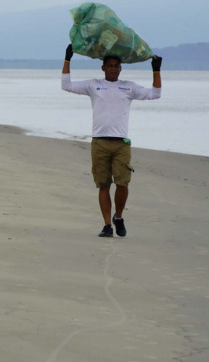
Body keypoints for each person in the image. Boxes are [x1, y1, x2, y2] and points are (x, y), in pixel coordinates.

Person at [61, 44, 162, 237]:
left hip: (121, 144)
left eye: (117, 65)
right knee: (103, 184)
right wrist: (67, 59)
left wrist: (156, 70)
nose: (114, 68)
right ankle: (107, 225)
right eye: (110, 65)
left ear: (121, 68)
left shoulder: (129, 87)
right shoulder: (93, 85)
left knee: (123, 184)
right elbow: (66, 85)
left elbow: (155, 94)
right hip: (99, 142)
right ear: (103, 67)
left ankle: (119, 216)